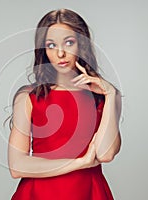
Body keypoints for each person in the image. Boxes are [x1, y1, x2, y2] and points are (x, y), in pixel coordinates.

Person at [7, 8, 122, 200]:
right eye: (51, 45)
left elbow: (106, 154)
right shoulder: (29, 97)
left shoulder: (104, 96)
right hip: (40, 193)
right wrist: (80, 163)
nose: (60, 53)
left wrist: (110, 94)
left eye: (69, 43)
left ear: (81, 45)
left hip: (88, 192)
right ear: (44, 50)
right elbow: (17, 166)